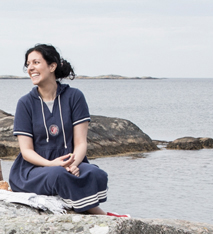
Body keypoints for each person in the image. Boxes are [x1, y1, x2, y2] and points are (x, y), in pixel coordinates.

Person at [9, 44, 127, 216]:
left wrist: (72, 164)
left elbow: (80, 142)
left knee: (96, 173)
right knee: (58, 174)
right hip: (34, 169)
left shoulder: (74, 97)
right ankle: (102, 215)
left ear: (52, 66)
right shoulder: (25, 103)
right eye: (28, 64)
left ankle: (83, 204)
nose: (30, 68)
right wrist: (52, 164)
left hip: (72, 162)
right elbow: (26, 151)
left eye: (36, 62)